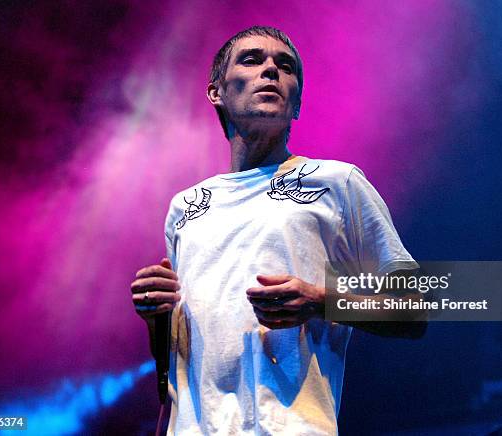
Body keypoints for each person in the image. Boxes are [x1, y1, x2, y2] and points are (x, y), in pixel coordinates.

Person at [131, 26, 425, 435]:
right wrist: (156, 316)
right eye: (252, 60)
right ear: (216, 92)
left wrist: (321, 300)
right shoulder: (185, 206)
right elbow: (179, 363)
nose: (271, 70)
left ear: (297, 103)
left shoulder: (335, 182)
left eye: (285, 67)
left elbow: (415, 309)